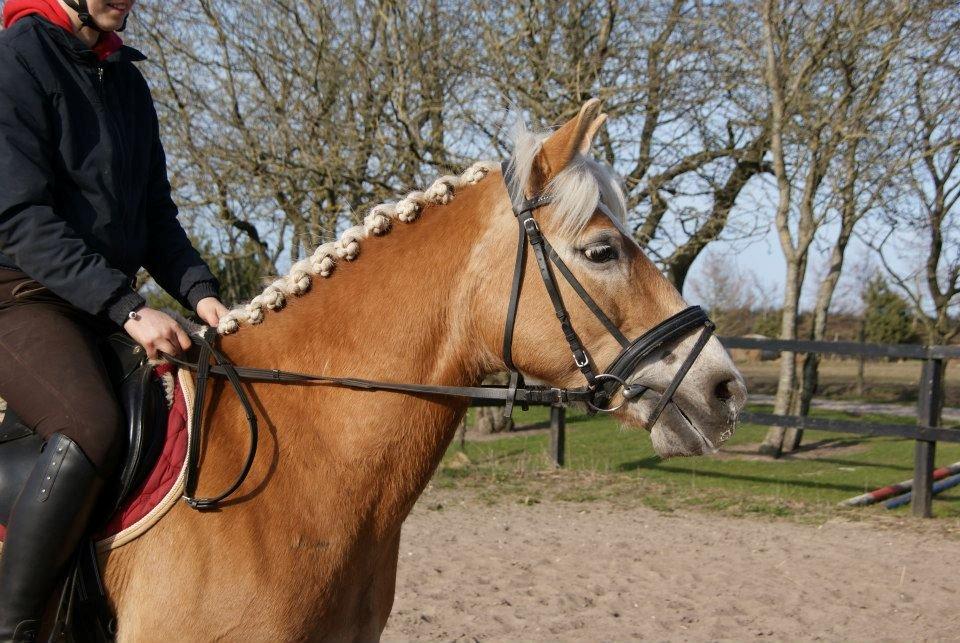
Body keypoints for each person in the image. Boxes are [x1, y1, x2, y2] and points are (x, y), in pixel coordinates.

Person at [0, 0, 228, 638]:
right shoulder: (15, 62)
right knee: (90, 424)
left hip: (99, 300)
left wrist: (201, 292)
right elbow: (21, 221)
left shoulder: (126, 79)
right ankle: (12, 625)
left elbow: (157, 216)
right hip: (18, 297)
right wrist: (129, 309)